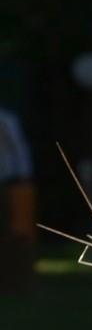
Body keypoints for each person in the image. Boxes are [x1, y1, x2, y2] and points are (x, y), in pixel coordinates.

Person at [0, 107, 36, 292]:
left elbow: (18, 150)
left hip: (11, 183)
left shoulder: (6, 120)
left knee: (17, 233)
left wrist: (23, 176)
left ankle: (17, 280)